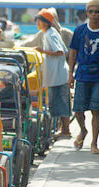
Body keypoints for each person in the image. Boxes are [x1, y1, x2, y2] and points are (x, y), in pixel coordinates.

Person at [68, 0, 99, 154]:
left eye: (97, 12)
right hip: (82, 74)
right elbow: (73, 52)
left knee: (96, 110)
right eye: (91, 12)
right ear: (87, 13)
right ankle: (83, 130)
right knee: (78, 109)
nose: (94, 14)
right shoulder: (80, 31)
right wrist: (70, 74)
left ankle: (94, 144)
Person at [34, 8, 71, 138]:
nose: (37, 23)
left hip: (59, 75)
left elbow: (60, 51)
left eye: (39, 21)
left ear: (45, 22)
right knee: (56, 104)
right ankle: (63, 129)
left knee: (61, 104)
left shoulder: (50, 34)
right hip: (56, 75)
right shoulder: (49, 33)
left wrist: (42, 51)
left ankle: (65, 130)